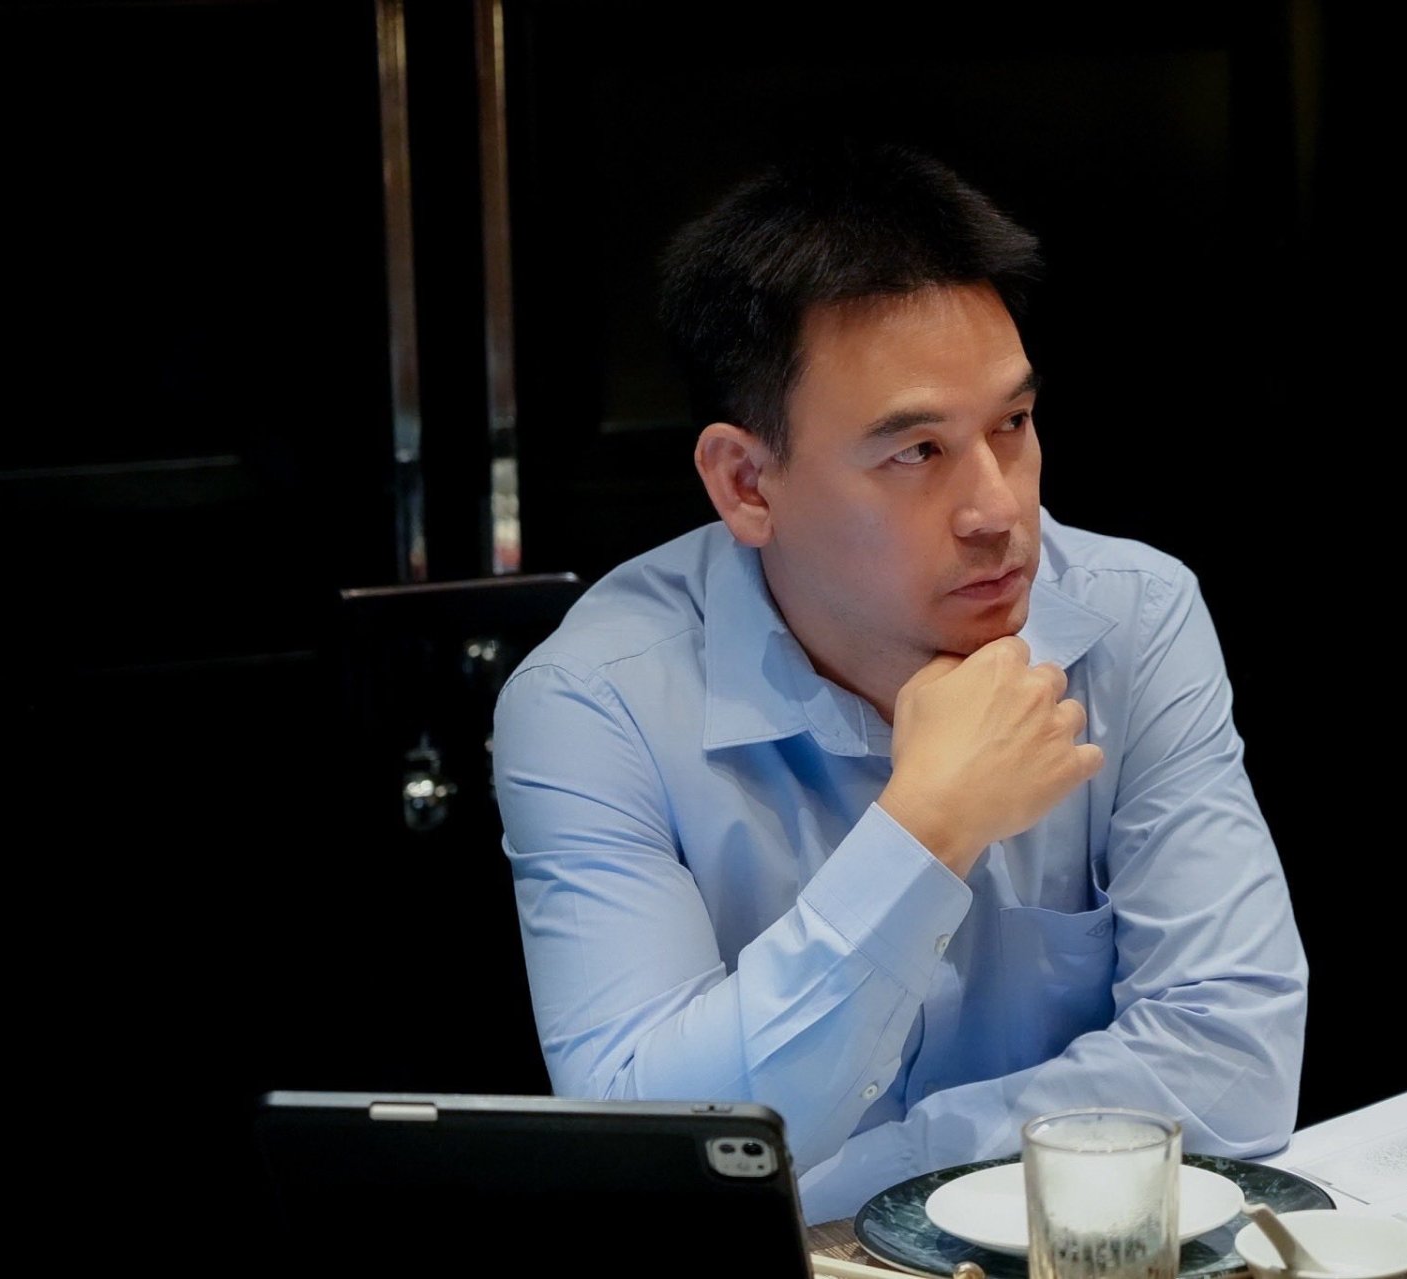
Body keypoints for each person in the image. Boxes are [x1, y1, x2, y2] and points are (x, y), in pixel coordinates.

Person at [490, 140, 1308, 1226]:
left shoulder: (1136, 619)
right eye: (916, 451)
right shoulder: (595, 704)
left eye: (1012, 425)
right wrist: (924, 831)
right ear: (746, 482)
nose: (998, 509)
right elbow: (651, 1155)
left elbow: (1232, 1063)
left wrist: (873, 1183)